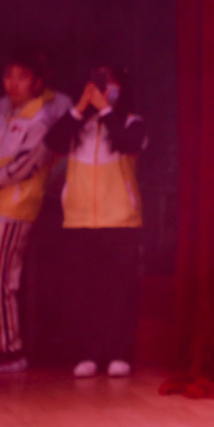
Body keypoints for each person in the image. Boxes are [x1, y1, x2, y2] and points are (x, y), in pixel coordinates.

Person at [0, 53, 71, 373]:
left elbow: (24, 165)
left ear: (37, 82)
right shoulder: (2, 116)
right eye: (9, 75)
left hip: (15, 207)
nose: (13, 83)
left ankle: (8, 349)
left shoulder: (41, 121)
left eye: (22, 76)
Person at [44, 66, 148, 378]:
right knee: (81, 292)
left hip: (120, 219)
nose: (104, 90)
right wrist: (79, 108)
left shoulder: (131, 121)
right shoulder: (79, 125)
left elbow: (129, 143)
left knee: (119, 292)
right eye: (98, 84)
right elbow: (52, 141)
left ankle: (119, 354)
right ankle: (86, 353)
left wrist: (105, 110)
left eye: (110, 84)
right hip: (78, 219)